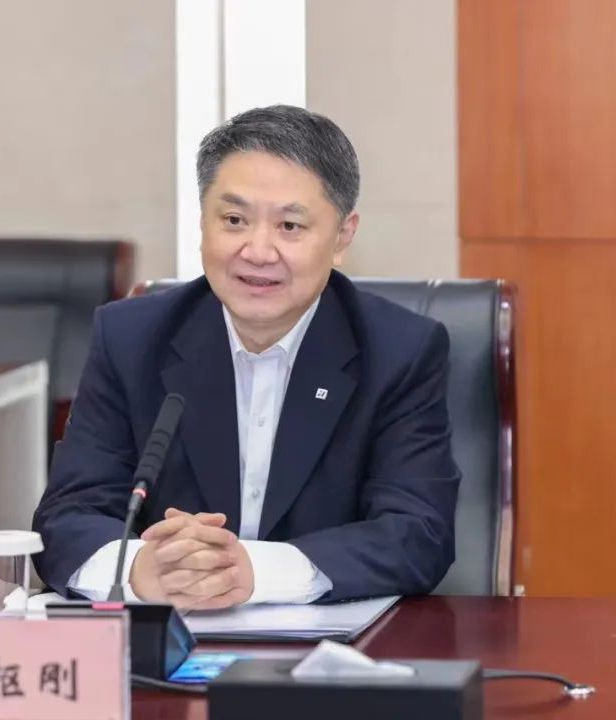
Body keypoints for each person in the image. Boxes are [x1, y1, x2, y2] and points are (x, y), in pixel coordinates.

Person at [33, 105, 460, 609]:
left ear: (343, 236)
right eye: (234, 220)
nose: (258, 251)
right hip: (170, 642)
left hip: (333, 649)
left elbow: (418, 532)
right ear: (202, 224)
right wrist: (140, 569)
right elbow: (68, 516)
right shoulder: (131, 339)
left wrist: (254, 572)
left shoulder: (400, 351)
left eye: (290, 226)